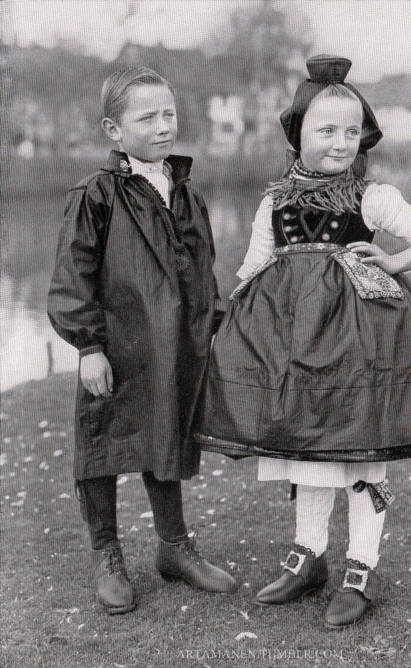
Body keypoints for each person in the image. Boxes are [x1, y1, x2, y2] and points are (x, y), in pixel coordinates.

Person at [193, 55, 411, 627]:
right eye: (326, 130)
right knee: (306, 447)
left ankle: (359, 568)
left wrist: (393, 260)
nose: (341, 143)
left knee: (362, 451)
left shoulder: (372, 196)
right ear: (297, 137)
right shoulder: (275, 201)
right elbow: (252, 271)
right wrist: (230, 335)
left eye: (351, 131)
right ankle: (308, 555)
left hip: (364, 346)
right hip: (294, 348)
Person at [48, 66, 237, 614]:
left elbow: (203, 270)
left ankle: (174, 547)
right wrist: (88, 347)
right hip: (115, 347)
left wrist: (210, 325)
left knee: (164, 432)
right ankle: (107, 554)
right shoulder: (95, 195)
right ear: (113, 129)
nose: (162, 125)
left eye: (169, 113)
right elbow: (71, 277)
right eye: (147, 116)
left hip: (172, 343)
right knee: (102, 440)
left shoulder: (186, 192)